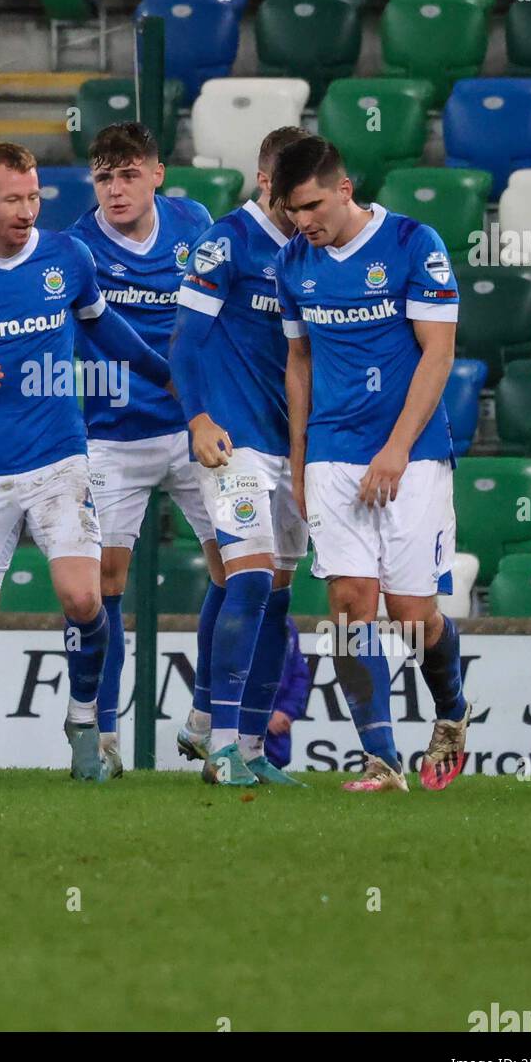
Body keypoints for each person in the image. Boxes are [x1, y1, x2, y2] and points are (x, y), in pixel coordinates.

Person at [0, 142, 173, 781]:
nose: (27, 210)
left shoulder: (68, 256)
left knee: (83, 598)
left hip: (60, 456)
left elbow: (105, 328)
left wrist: (168, 376)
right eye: (13, 199)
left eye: (34, 197)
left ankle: (85, 723)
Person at [272, 135, 471, 793]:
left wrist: (396, 449)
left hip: (410, 458)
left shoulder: (415, 244)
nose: (303, 222)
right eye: (292, 210)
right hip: (331, 453)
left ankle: (451, 712)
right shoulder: (294, 264)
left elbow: (438, 354)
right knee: (349, 606)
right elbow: (298, 363)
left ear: (344, 188)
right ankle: (380, 759)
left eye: (311, 206)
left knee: (414, 617)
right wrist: (300, 461)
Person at [67, 122, 217, 776]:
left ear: (157, 174)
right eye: (104, 177)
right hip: (113, 438)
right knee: (102, 586)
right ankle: (101, 738)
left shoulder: (195, 223)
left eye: (128, 175)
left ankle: (208, 716)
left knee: (236, 571)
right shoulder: (76, 247)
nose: (115, 189)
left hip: (193, 427)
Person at [169, 127, 313, 787]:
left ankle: (251, 747)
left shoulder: (315, 250)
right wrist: (198, 419)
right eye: (287, 194)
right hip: (232, 445)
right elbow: (186, 342)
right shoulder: (227, 241)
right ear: (263, 180)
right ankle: (220, 744)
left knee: (278, 599)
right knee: (248, 579)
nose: (297, 207)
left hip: (293, 448)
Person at [263, 617, 311, 772]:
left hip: (277, 732)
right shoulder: (241, 621)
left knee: (277, 759)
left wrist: (286, 710)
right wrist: (265, 716)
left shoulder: (287, 624)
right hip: (246, 729)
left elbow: (299, 674)